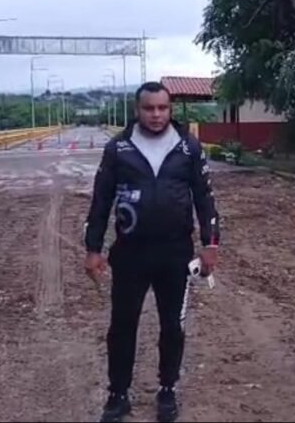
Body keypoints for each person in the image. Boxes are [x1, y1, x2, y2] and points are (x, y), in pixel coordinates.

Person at [84, 81, 220, 423]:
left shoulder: (188, 147)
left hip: (176, 254)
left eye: (162, 108)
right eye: (149, 108)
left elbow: (205, 198)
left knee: (172, 326)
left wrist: (211, 244)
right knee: (122, 325)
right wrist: (93, 249)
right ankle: (117, 396)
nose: (156, 115)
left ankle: (168, 390)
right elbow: (101, 201)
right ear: (137, 110)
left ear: (170, 109)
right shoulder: (118, 148)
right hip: (130, 254)